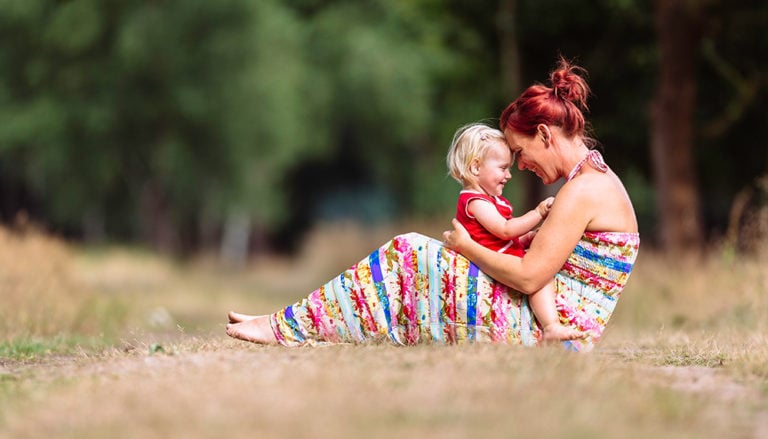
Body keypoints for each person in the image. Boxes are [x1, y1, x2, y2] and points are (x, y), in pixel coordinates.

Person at [226, 57, 639, 352]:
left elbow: (531, 278)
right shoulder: (594, 182)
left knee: (409, 251)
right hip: (555, 322)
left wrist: (466, 248)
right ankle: (290, 323)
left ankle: (285, 327)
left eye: (521, 150)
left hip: (553, 331)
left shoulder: (583, 191)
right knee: (413, 257)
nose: (523, 165)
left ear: (546, 135)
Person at [446, 122, 583, 342]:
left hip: (500, 255)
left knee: (543, 273)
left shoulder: (492, 200)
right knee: (540, 278)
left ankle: (550, 324)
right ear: (475, 168)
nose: (509, 175)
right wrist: (537, 213)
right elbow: (505, 229)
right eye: (502, 168)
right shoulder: (474, 201)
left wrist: (526, 238)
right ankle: (551, 326)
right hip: (493, 262)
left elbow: (499, 234)